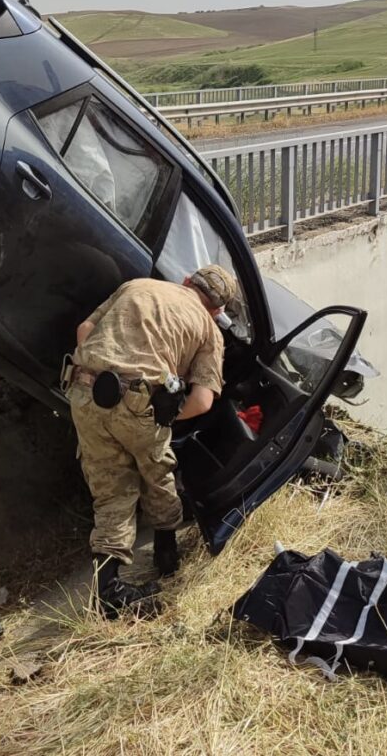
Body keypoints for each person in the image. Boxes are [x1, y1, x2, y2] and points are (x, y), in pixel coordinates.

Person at [65, 264, 240, 618]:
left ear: (187, 281)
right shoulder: (209, 329)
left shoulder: (137, 285)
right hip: (138, 399)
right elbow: (203, 401)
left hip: (83, 389)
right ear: (217, 309)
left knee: (111, 489)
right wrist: (160, 413)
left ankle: (109, 589)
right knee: (158, 475)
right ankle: (166, 556)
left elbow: (85, 330)